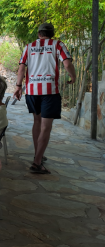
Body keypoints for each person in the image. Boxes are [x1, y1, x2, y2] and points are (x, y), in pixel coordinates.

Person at [14, 23, 76, 174]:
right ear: (52, 34)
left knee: (37, 121)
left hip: (32, 91)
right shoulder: (58, 44)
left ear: (39, 33)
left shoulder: (29, 46)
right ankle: (37, 163)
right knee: (46, 127)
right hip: (50, 91)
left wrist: (18, 86)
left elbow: (22, 68)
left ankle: (38, 155)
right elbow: (67, 63)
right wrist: (74, 77)